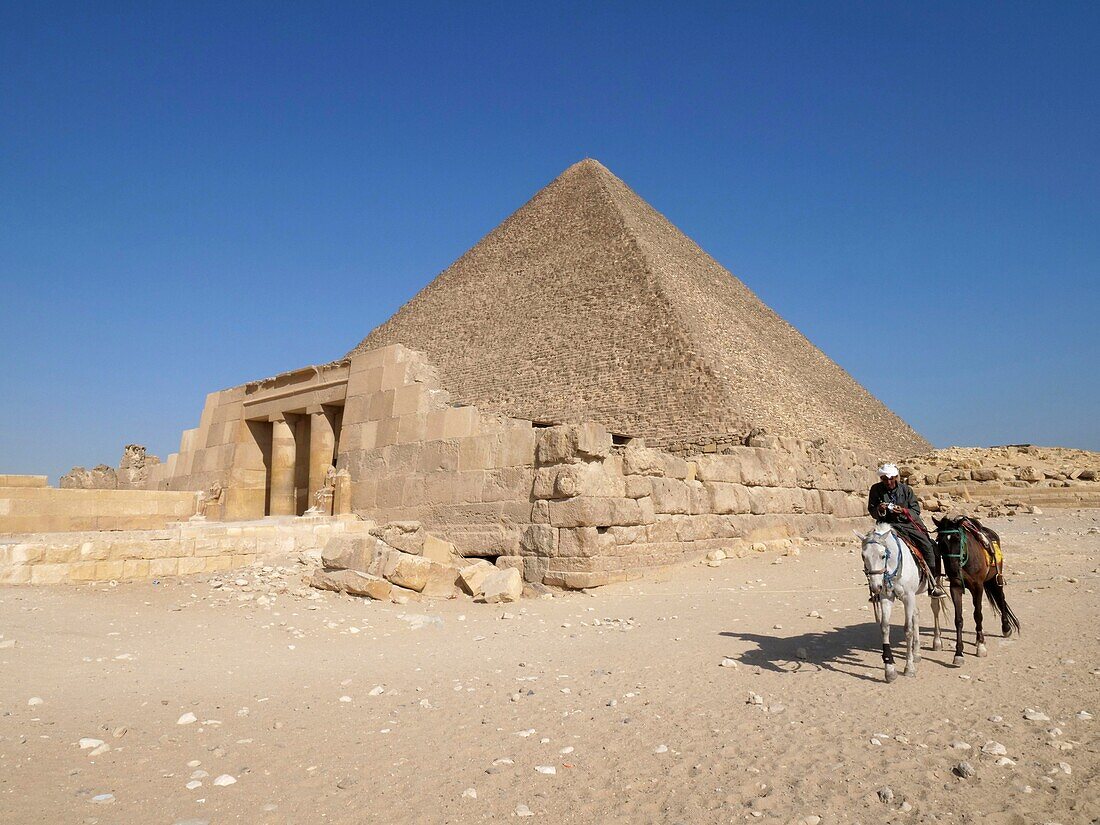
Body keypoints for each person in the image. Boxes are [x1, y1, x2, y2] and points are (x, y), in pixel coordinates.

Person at [868, 463, 946, 598]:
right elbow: (872, 509)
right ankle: (877, 587)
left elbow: (916, 511)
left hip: (907, 524)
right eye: (885, 479)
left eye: (891, 478)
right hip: (886, 525)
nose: (889, 482)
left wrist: (903, 511)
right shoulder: (875, 490)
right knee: (871, 550)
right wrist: (880, 510)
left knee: (928, 546)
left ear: (896, 477)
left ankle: (933, 584)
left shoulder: (906, 490)